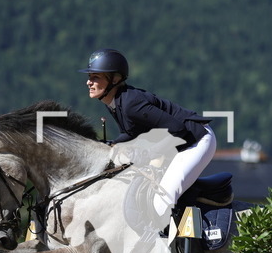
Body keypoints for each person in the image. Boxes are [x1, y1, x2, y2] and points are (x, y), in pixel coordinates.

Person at [80, 48, 217, 220]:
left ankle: (179, 245)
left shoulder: (131, 104)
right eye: (89, 77)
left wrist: (149, 155)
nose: (89, 82)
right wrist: (109, 145)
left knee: (162, 201)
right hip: (181, 141)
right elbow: (132, 132)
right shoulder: (117, 101)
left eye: (95, 77)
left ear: (115, 79)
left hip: (196, 140)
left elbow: (178, 131)